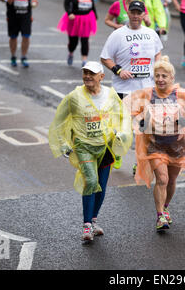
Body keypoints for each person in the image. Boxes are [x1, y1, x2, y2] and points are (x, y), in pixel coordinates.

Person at [123, 56, 185, 231]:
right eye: (158, 76)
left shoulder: (182, 95)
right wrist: (140, 120)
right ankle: (160, 216)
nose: (160, 79)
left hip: (177, 145)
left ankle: (166, 207)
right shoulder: (147, 94)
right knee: (162, 179)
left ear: (172, 78)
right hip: (155, 145)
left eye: (164, 76)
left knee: (171, 181)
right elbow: (126, 108)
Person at [48, 61, 132, 241]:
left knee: (101, 186)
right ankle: (86, 226)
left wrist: (121, 134)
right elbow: (59, 121)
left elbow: (122, 116)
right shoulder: (74, 97)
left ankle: (93, 220)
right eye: (85, 72)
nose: (87, 76)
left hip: (106, 147)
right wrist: (63, 144)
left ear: (101, 76)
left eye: (91, 73)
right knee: (91, 181)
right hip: (84, 147)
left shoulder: (110, 95)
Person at [101, 0, 163, 170]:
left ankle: (139, 163)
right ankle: (118, 153)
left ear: (144, 15)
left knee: (144, 130)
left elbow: (158, 53)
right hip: (124, 89)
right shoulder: (117, 34)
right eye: (133, 12)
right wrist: (118, 70)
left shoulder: (151, 34)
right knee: (123, 128)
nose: (135, 16)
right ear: (128, 13)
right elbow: (105, 57)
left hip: (146, 89)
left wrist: (157, 70)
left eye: (139, 13)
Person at [57, 0, 97, 67]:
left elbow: (92, 5)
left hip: (86, 19)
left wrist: (95, 16)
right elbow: (66, 3)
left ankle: (84, 60)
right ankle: (71, 53)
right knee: (73, 41)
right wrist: (69, 13)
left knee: (85, 40)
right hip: (74, 19)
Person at [0, 0, 38, 68]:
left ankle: (24, 56)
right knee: (13, 37)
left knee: (26, 36)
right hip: (13, 14)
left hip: (26, 14)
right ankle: (13, 56)